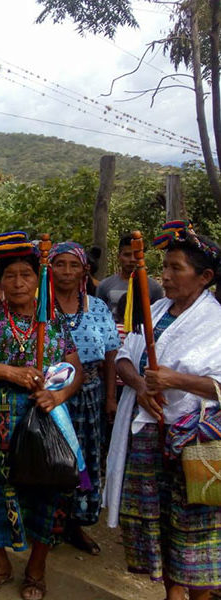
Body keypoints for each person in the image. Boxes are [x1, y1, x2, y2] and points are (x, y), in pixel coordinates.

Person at [0, 231, 82, 599]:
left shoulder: (52, 319)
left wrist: (57, 395)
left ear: (38, 277)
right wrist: (10, 373)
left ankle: (36, 570)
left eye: (26, 274)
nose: (18, 282)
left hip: (44, 420)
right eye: (9, 275)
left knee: (47, 493)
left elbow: (76, 368)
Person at [105, 221, 221, 600]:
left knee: (195, 528)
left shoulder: (216, 324)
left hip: (194, 445)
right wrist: (139, 386)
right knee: (155, 522)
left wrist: (176, 381)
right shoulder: (153, 310)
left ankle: (199, 595)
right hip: (147, 435)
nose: (165, 276)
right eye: (164, 267)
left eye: (176, 269)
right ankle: (171, 592)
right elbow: (124, 357)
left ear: (204, 277)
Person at [49, 241, 120, 555]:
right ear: (49, 269)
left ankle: (75, 525)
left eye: (73, 265)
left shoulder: (98, 307)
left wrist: (110, 398)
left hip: (89, 395)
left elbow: (111, 354)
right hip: (51, 397)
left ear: (83, 270)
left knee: (85, 461)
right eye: (59, 264)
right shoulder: (40, 306)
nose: (66, 271)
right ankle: (47, 524)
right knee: (48, 458)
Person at [97, 234, 163, 321]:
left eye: (136, 255)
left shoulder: (154, 288)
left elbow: (157, 318)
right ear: (119, 257)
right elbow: (98, 318)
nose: (132, 259)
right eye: (127, 255)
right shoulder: (104, 285)